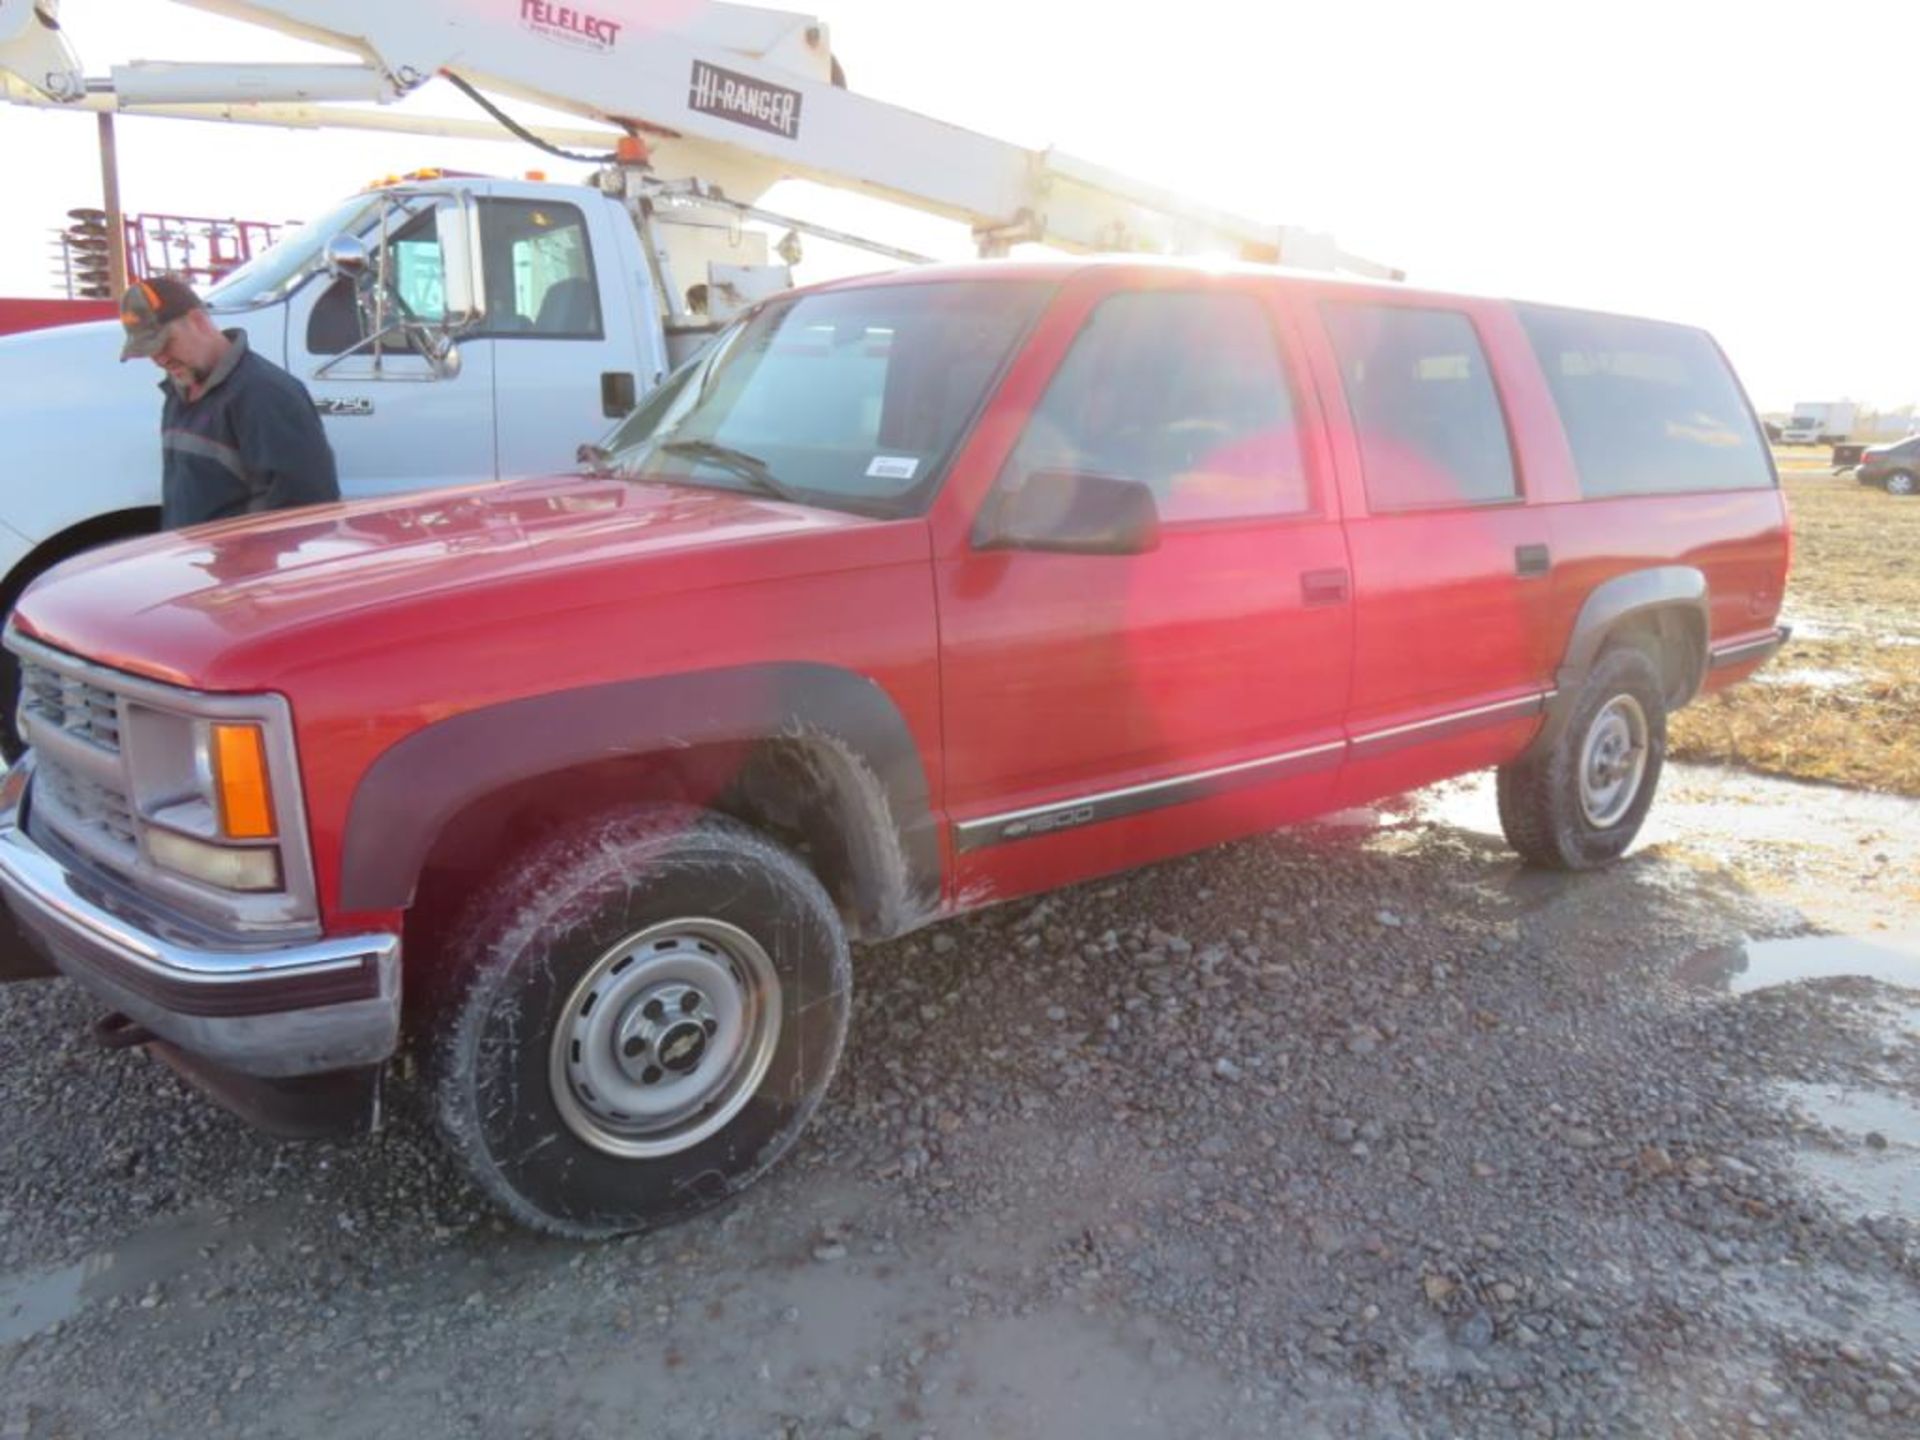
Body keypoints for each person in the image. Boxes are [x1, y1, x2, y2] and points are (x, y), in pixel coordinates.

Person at [117, 277, 340, 528]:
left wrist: (228, 561)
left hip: (243, 565)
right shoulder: (178, 394)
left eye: (165, 344)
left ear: (198, 320)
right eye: (149, 351)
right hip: (191, 562)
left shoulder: (266, 395)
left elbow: (302, 513)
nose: (160, 359)